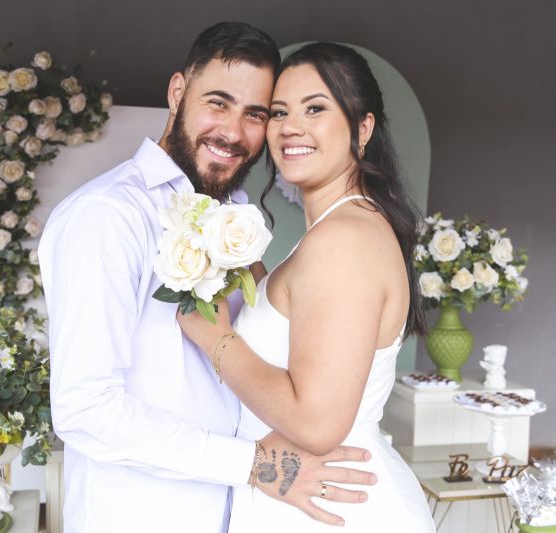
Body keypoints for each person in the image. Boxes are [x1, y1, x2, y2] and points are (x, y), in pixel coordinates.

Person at [38, 25, 376, 533]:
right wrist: (251, 464)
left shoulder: (234, 216)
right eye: (218, 103)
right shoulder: (107, 215)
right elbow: (85, 409)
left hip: (241, 512)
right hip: (142, 518)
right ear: (178, 92)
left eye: (255, 114)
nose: (233, 133)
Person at [178, 42, 437, 531]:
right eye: (279, 112)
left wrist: (217, 339)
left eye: (315, 109)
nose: (290, 127)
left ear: (363, 127)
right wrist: (252, 278)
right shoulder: (341, 230)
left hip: (329, 507)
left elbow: (318, 424)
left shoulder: (344, 239)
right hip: (306, 494)